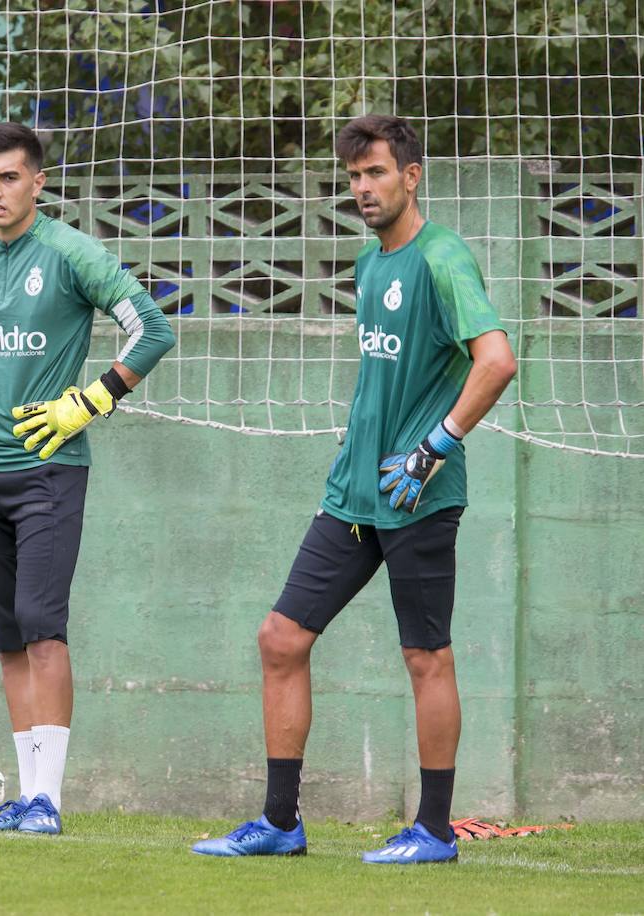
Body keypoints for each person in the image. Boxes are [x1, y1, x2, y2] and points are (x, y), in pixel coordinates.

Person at [192, 114, 517, 864]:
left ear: (412, 175)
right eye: (353, 177)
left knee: (425, 656)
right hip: (353, 496)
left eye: (375, 173)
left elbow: (495, 361)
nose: (362, 188)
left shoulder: (443, 258)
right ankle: (280, 823)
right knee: (281, 638)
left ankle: (434, 831)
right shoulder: (371, 265)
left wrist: (434, 448)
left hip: (419, 495)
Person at [0, 122, 175, 835]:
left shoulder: (70, 254)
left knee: (42, 626)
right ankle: (26, 799)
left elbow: (152, 329)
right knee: (7, 636)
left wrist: (92, 399)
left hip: (49, 472)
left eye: (8, 178)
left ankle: (49, 802)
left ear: (38, 182)